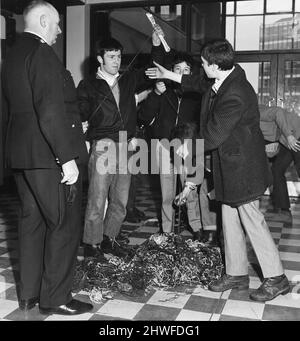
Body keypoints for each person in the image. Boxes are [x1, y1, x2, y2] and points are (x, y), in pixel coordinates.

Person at [145, 38, 289, 302]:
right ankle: (236, 272)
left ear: (215, 65)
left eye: (203, 63)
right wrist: (171, 76)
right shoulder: (225, 79)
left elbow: (213, 135)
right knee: (229, 217)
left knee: (251, 219)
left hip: (244, 167)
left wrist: (187, 148)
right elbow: (200, 84)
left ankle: (277, 277)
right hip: (229, 164)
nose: (201, 67)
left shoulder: (236, 93)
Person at [1, 1, 93, 315]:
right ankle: (56, 298)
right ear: (43, 20)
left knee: (32, 222)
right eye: (56, 24)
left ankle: (28, 294)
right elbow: (49, 109)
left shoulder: (13, 54)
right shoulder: (42, 53)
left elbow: (14, 110)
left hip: (23, 155)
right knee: (63, 225)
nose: (59, 30)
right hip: (48, 156)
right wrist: (66, 157)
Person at [77, 29, 162, 259]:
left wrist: (155, 47)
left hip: (126, 143)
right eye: (111, 57)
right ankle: (92, 244)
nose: (116, 61)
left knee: (121, 200)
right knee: (97, 198)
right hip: (103, 143)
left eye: (119, 57)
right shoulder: (88, 85)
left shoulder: (129, 80)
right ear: (100, 59)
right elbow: (80, 112)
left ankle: (109, 239)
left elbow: (153, 72)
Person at [139, 52, 217, 242]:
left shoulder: (198, 95)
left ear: (192, 73)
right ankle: (167, 230)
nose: (182, 73)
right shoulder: (162, 91)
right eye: (177, 69)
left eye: (186, 70)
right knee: (166, 193)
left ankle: (196, 227)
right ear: (171, 72)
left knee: (190, 191)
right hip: (165, 145)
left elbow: (204, 122)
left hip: (189, 146)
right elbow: (144, 117)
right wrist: (156, 93)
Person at [259, 104, 300, 224]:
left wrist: (289, 135)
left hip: (296, 134)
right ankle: (285, 213)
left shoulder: (253, 111)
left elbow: (278, 112)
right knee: (276, 170)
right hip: (286, 141)